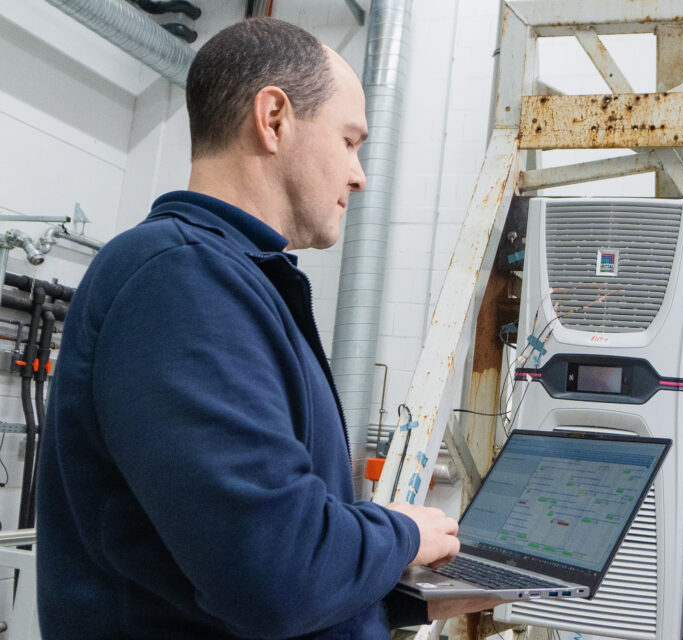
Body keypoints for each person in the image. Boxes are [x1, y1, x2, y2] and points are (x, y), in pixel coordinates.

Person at [37, 18, 497, 639]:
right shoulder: (180, 281)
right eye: (349, 140)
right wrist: (404, 533)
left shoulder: (230, 280)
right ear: (274, 117)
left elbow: (238, 560)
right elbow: (277, 573)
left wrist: (388, 579)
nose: (360, 175)